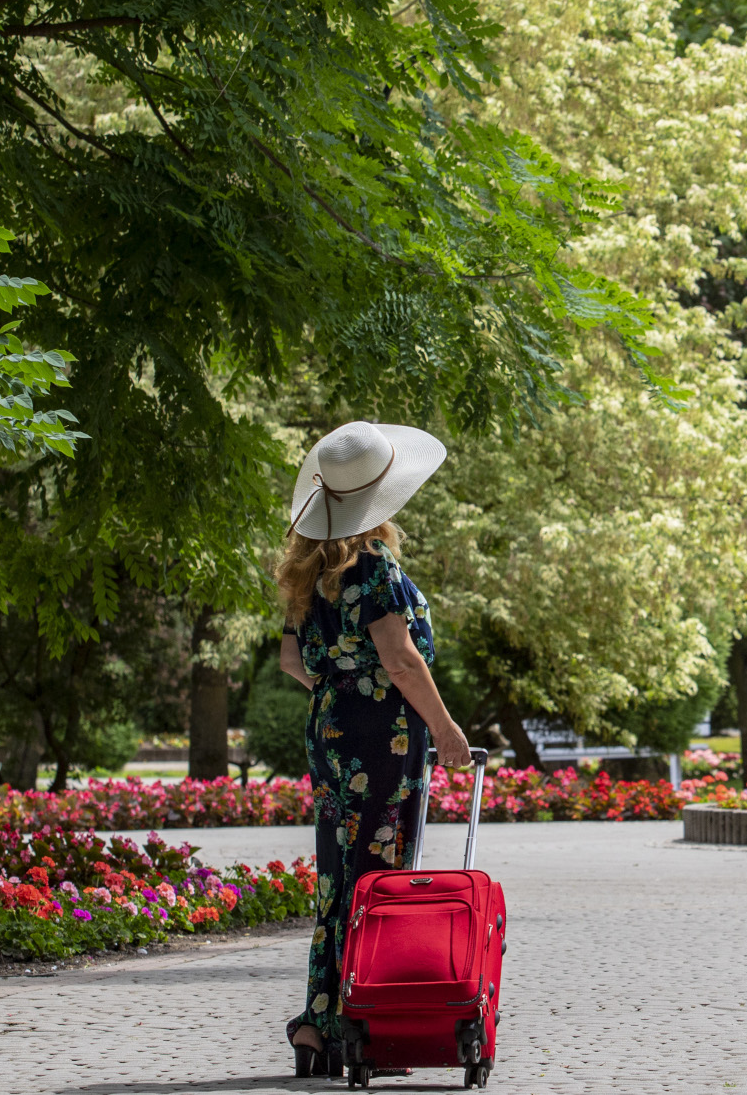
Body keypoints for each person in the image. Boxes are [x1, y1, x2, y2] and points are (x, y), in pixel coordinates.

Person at [275, 420, 470, 1077]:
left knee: (340, 873)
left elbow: (291, 661)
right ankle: (365, 1025)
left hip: (330, 726)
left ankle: (318, 1022)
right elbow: (401, 659)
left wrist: (340, 691)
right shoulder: (373, 565)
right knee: (379, 873)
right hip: (384, 733)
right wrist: (444, 728)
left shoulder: (307, 571)